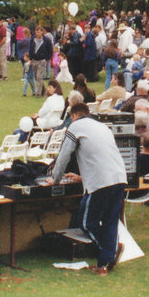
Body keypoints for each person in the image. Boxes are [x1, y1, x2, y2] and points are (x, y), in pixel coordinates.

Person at [48, 102, 127, 275]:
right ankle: (103, 264)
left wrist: (55, 179)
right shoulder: (103, 127)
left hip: (100, 182)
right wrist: (83, 177)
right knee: (110, 221)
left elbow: (64, 156)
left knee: (86, 222)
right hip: (119, 177)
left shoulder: (75, 127)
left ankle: (109, 252)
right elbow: (102, 155)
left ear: (73, 115)